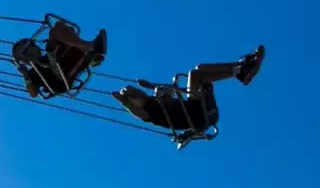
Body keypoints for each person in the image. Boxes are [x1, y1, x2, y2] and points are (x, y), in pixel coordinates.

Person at [112, 46, 265, 145]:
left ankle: (242, 68)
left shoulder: (156, 98)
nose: (134, 90)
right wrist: (124, 102)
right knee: (195, 75)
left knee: (200, 68)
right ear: (134, 101)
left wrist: (151, 86)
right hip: (197, 116)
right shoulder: (150, 113)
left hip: (196, 107)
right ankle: (239, 71)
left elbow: (170, 90)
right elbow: (137, 113)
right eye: (131, 93)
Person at [12, 21, 107, 98]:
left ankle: (91, 50)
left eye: (32, 44)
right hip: (58, 78)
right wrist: (26, 75)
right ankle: (91, 49)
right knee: (54, 36)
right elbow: (33, 94)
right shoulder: (34, 72)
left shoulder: (47, 55)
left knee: (60, 29)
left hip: (64, 64)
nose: (34, 46)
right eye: (28, 46)